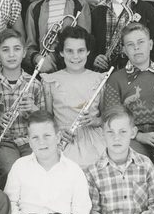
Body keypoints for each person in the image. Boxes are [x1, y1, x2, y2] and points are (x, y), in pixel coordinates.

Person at [101, 22, 154, 179]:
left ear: (150, 44)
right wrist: (138, 135)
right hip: (132, 136)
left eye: (141, 42)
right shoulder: (116, 79)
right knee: (136, 167)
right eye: (130, 45)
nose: (136, 48)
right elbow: (112, 117)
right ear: (124, 50)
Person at [42, 25, 107, 168]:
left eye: (81, 51)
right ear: (61, 52)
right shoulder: (50, 80)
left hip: (93, 139)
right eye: (69, 51)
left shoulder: (99, 79)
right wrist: (57, 131)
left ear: (88, 51)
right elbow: (48, 119)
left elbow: (105, 118)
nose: (75, 57)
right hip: (64, 139)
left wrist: (95, 120)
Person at [0, 29, 45, 188]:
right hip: (3, 141)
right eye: (5, 50)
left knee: (35, 169)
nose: (11, 54)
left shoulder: (34, 83)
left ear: (24, 52)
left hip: (29, 140)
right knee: (10, 169)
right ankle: (9, 207)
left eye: (16, 49)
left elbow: (45, 120)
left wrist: (34, 110)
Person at [24, 0, 91, 74]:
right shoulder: (34, 8)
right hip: (44, 71)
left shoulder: (80, 5)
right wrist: (38, 59)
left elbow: (85, 42)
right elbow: (29, 47)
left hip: (73, 69)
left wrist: (54, 57)